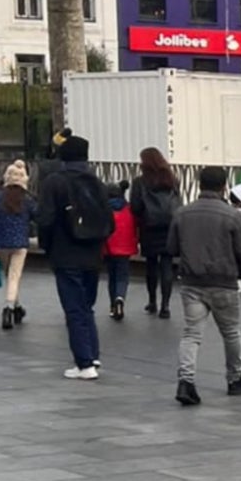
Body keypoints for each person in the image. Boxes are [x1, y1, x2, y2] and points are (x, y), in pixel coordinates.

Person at [169, 166, 241, 405]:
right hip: (223, 282)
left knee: (191, 334)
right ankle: (235, 378)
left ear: (199, 183)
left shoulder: (182, 213)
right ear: (224, 186)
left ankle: (186, 382)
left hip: (191, 283)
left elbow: (172, 248)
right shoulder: (232, 215)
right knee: (231, 332)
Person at [36, 133, 113, 379]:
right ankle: (93, 353)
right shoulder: (97, 183)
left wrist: (47, 247)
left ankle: (84, 363)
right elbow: (109, 221)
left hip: (65, 251)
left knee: (74, 308)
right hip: (92, 253)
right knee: (86, 306)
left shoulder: (54, 182)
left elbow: (45, 219)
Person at [130, 147, 182, 319]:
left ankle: (152, 301)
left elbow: (135, 207)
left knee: (151, 265)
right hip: (169, 227)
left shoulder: (140, 182)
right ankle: (165, 306)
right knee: (167, 264)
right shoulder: (172, 180)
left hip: (149, 227)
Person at [0, 159, 37, 331]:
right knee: (14, 277)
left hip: (2, 243)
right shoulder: (27, 199)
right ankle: (8, 309)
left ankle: (16, 307)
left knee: (8, 276)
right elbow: (38, 217)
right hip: (20, 243)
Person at [104, 180, 139, 321]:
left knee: (111, 276)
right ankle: (120, 297)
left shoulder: (105, 210)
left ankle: (113, 305)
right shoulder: (129, 209)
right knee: (122, 277)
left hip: (108, 248)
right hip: (125, 249)